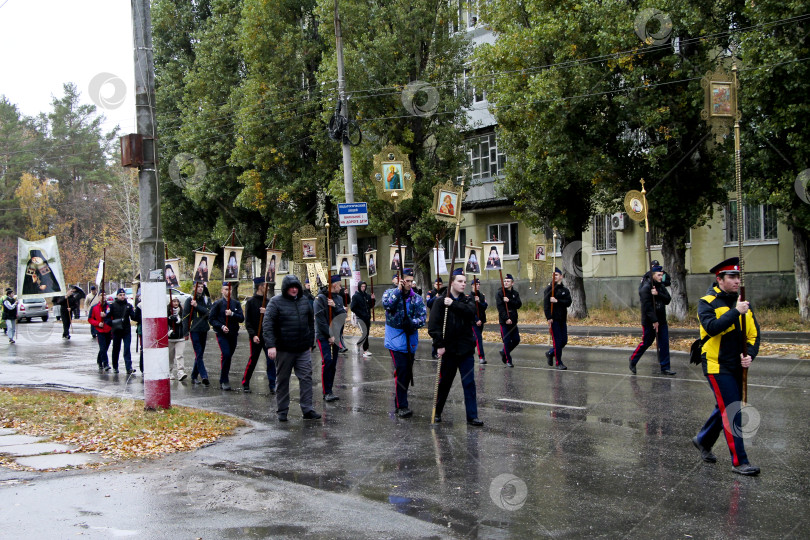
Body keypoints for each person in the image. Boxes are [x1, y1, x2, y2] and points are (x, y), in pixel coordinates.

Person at [692, 257, 761, 476]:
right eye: (731, 277)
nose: (736, 281)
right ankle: (739, 462)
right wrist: (735, 312)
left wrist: (749, 354)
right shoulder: (707, 302)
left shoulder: (743, 302)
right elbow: (712, 328)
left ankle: (702, 439)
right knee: (732, 410)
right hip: (716, 365)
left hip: (736, 366)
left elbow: (754, 334)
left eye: (738, 277)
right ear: (719, 279)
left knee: (725, 405)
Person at [428, 269, 484, 426]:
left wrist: (453, 304)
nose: (463, 284)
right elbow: (433, 327)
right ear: (451, 282)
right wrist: (439, 345)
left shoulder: (467, 300)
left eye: (464, 281)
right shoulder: (440, 302)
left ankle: (472, 416)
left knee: (469, 383)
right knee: (445, 383)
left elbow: (471, 312)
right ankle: (437, 411)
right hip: (449, 350)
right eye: (460, 281)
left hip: (465, 349)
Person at [262, 274, 321, 422]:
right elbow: (268, 325)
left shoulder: (304, 301)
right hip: (283, 349)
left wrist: (310, 343)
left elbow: (310, 323)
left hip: (302, 348)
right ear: (285, 288)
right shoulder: (275, 302)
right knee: (282, 380)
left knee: (306, 378)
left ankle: (307, 409)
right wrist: (271, 346)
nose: (294, 290)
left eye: (296, 287)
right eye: (291, 287)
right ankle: (282, 411)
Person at [382, 268, 427, 418]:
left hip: (410, 339)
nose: (409, 284)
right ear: (400, 280)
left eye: (411, 281)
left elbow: (422, 318)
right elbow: (388, 305)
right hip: (395, 338)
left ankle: (400, 400)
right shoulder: (390, 293)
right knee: (401, 371)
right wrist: (398, 292)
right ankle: (402, 405)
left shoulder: (417, 298)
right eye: (406, 281)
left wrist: (412, 323)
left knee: (407, 373)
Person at [628, 264, 675, 376]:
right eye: (659, 275)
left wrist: (658, 294)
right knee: (647, 342)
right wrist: (654, 321)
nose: (661, 277)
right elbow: (647, 307)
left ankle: (665, 367)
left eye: (662, 275)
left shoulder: (660, 286)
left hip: (662, 320)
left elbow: (668, 299)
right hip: (649, 321)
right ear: (653, 275)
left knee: (664, 343)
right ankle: (633, 360)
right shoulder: (645, 287)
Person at [315, 275, 346, 402]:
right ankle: (326, 392)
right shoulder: (320, 299)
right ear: (333, 285)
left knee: (333, 364)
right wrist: (329, 335)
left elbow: (343, 315)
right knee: (327, 361)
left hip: (336, 336)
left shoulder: (338, 298)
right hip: (324, 336)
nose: (341, 287)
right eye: (339, 285)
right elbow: (320, 320)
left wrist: (335, 306)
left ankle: (330, 390)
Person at [242, 277, 276, 394]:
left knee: (271, 360)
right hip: (256, 337)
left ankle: (272, 384)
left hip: (267, 336)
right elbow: (248, 322)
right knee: (253, 360)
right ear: (260, 287)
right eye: (265, 286)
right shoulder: (251, 302)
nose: (267, 288)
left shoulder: (269, 302)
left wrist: (266, 313)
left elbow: (274, 319)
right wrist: (253, 335)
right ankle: (245, 382)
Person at [209, 283, 245, 390]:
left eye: (229, 289)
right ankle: (224, 380)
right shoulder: (218, 303)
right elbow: (211, 319)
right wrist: (221, 326)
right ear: (222, 291)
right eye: (225, 289)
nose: (228, 291)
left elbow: (241, 318)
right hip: (222, 334)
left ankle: (223, 378)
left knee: (228, 357)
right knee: (226, 354)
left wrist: (232, 314)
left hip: (233, 334)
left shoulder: (236, 303)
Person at [544, 267, 572, 370]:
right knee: (557, 341)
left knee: (564, 340)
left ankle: (551, 353)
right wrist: (549, 318)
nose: (554, 277)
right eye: (553, 275)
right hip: (554, 320)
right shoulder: (549, 290)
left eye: (556, 275)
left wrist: (557, 301)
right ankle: (558, 362)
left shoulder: (565, 290)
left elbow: (568, 302)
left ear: (561, 276)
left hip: (562, 319)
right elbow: (546, 306)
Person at [184, 281, 212, 386]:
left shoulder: (206, 299)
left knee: (200, 354)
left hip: (204, 329)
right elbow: (185, 317)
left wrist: (197, 306)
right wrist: (185, 332)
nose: (200, 288)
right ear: (194, 288)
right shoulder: (189, 300)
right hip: (194, 329)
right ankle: (204, 376)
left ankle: (194, 375)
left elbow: (209, 313)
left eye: (201, 286)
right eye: (198, 286)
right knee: (198, 352)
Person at [107, 288, 139, 374]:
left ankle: (129, 367)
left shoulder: (128, 306)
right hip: (117, 330)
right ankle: (115, 366)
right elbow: (107, 317)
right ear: (117, 296)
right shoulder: (113, 305)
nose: (122, 296)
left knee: (127, 349)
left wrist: (139, 312)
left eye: (123, 295)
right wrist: (112, 324)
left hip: (126, 330)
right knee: (116, 349)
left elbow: (133, 317)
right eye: (120, 295)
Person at [496, 273, 522, 367]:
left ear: (512, 283)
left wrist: (509, 300)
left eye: (508, 281)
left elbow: (518, 304)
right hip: (504, 321)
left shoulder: (515, 294)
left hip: (514, 320)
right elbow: (500, 308)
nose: (506, 283)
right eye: (505, 281)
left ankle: (504, 352)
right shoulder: (500, 293)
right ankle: (508, 360)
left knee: (516, 340)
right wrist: (506, 318)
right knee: (506, 341)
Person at [350, 281, 375, 357]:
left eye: (364, 286)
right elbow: (352, 307)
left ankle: (359, 345)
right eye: (362, 286)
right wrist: (360, 313)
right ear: (359, 287)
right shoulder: (356, 296)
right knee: (365, 333)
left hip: (367, 317)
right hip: (360, 318)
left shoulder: (367, 296)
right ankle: (365, 350)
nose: (363, 288)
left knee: (366, 333)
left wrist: (373, 299)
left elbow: (370, 306)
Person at [88, 294, 112, 370]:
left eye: (105, 295)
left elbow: (112, 317)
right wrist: (98, 323)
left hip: (108, 329)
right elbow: (90, 319)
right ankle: (106, 364)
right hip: (100, 330)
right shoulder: (94, 307)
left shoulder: (109, 307)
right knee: (102, 347)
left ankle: (99, 360)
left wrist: (106, 317)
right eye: (101, 295)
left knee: (106, 347)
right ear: (98, 297)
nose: (103, 297)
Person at [167, 296, 187, 381]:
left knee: (179, 355)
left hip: (180, 337)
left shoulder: (181, 312)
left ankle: (180, 372)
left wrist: (179, 320)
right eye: (173, 301)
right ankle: (169, 372)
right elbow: (164, 324)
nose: (175, 303)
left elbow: (185, 322)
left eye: (177, 301)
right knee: (170, 356)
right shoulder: (167, 312)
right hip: (170, 338)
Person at [425, 277, 444, 359]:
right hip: (434, 316)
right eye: (437, 284)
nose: (438, 286)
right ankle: (434, 352)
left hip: (442, 316)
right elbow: (428, 303)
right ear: (434, 284)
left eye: (440, 284)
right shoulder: (431, 293)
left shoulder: (443, 293)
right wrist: (435, 298)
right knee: (435, 335)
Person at [470, 278, 488, 364]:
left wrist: (479, 301)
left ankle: (468, 352)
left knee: (475, 339)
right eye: (475, 284)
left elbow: (485, 306)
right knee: (479, 338)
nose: (477, 286)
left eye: (478, 284)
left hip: (482, 320)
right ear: (472, 286)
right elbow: (470, 310)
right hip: (474, 322)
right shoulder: (469, 297)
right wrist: (476, 320)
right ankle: (481, 357)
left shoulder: (482, 296)